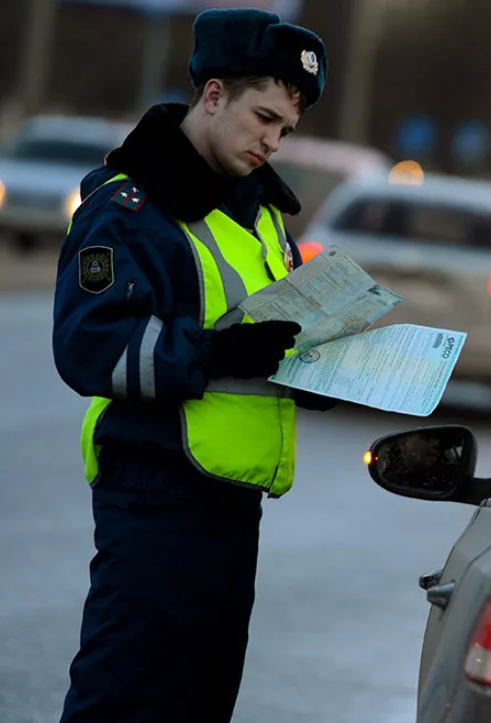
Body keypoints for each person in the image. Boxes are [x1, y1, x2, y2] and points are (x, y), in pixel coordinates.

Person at [52, 8, 333, 722]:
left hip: (231, 506)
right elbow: (89, 345)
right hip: (155, 495)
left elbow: (264, 334)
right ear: (213, 95)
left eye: (285, 129)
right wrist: (211, 353)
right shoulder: (130, 207)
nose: (272, 140)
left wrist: (316, 369)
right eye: (262, 116)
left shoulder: (261, 214)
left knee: (198, 706)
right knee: (122, 704)